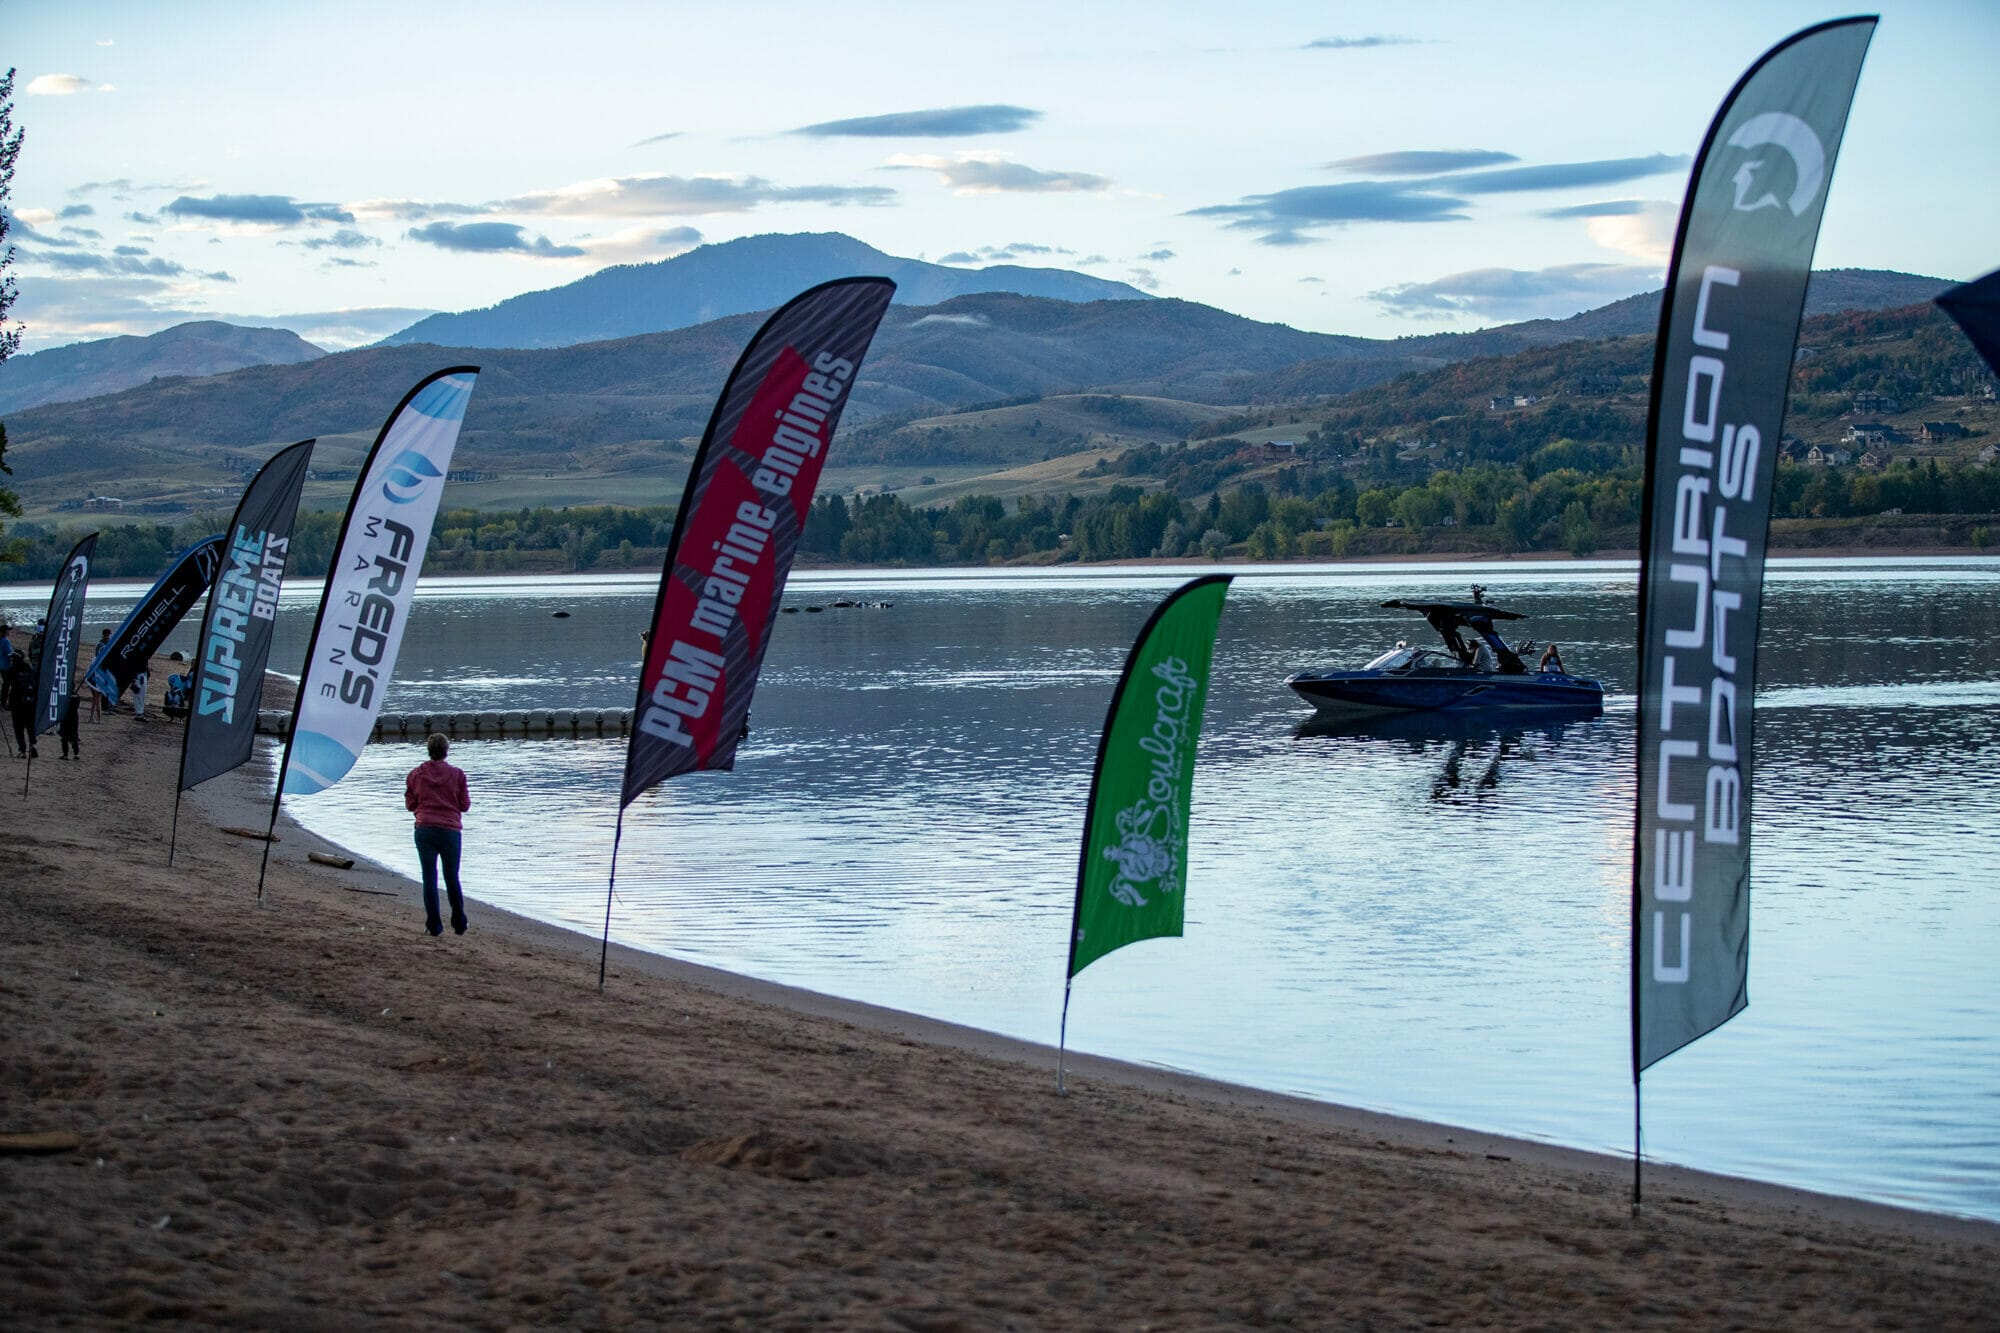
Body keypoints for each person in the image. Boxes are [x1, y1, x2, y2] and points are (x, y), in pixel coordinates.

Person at [405, 732, 471, 937]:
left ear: (429, 750)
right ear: (446, 751)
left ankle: (434, 925)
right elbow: (464, 805)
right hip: (450, 830)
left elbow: (410, 805)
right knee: (452, 876)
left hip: (425, 828)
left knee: (429, 877)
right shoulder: (458, 774)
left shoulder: (415, 774)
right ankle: (459, 922)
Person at [3, 651, 35, 759]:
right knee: (30, 726)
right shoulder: (29, 669)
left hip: (16, 702)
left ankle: (22, 750)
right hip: (30, 702)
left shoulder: (11, 670)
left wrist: (2, 702)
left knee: (18, 727)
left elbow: (6, 687)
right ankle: (33, 744)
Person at [59, 692, 81, 760]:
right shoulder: (77, 696)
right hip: (74, 717)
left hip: (66, 717)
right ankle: (76, 754)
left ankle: (65, 755)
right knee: (74, 736)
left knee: (64, 737)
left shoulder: (64, 694)